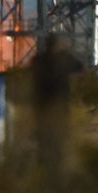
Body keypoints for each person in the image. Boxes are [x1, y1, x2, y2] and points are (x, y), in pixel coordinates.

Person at [31, 33, 83, 171]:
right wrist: (67, 51)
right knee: (58, 139)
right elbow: (80, 67)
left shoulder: (38, 60)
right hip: (60, 105)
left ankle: (43, 166)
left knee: (44, 138)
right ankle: (56, 166)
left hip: (41, 106)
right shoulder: (64, 60)